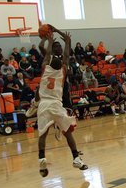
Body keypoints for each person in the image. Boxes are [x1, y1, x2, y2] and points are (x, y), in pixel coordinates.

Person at [37, 27, 88, 177]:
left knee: (42, 135)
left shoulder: (45, 67)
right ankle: (76, 158)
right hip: (56, 104)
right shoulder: (63, 70)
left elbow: (46, 53)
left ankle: (42, 159)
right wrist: (65, 38)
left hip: (43, 104)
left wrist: (49, 38)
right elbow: (66, 54)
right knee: (68, 132)